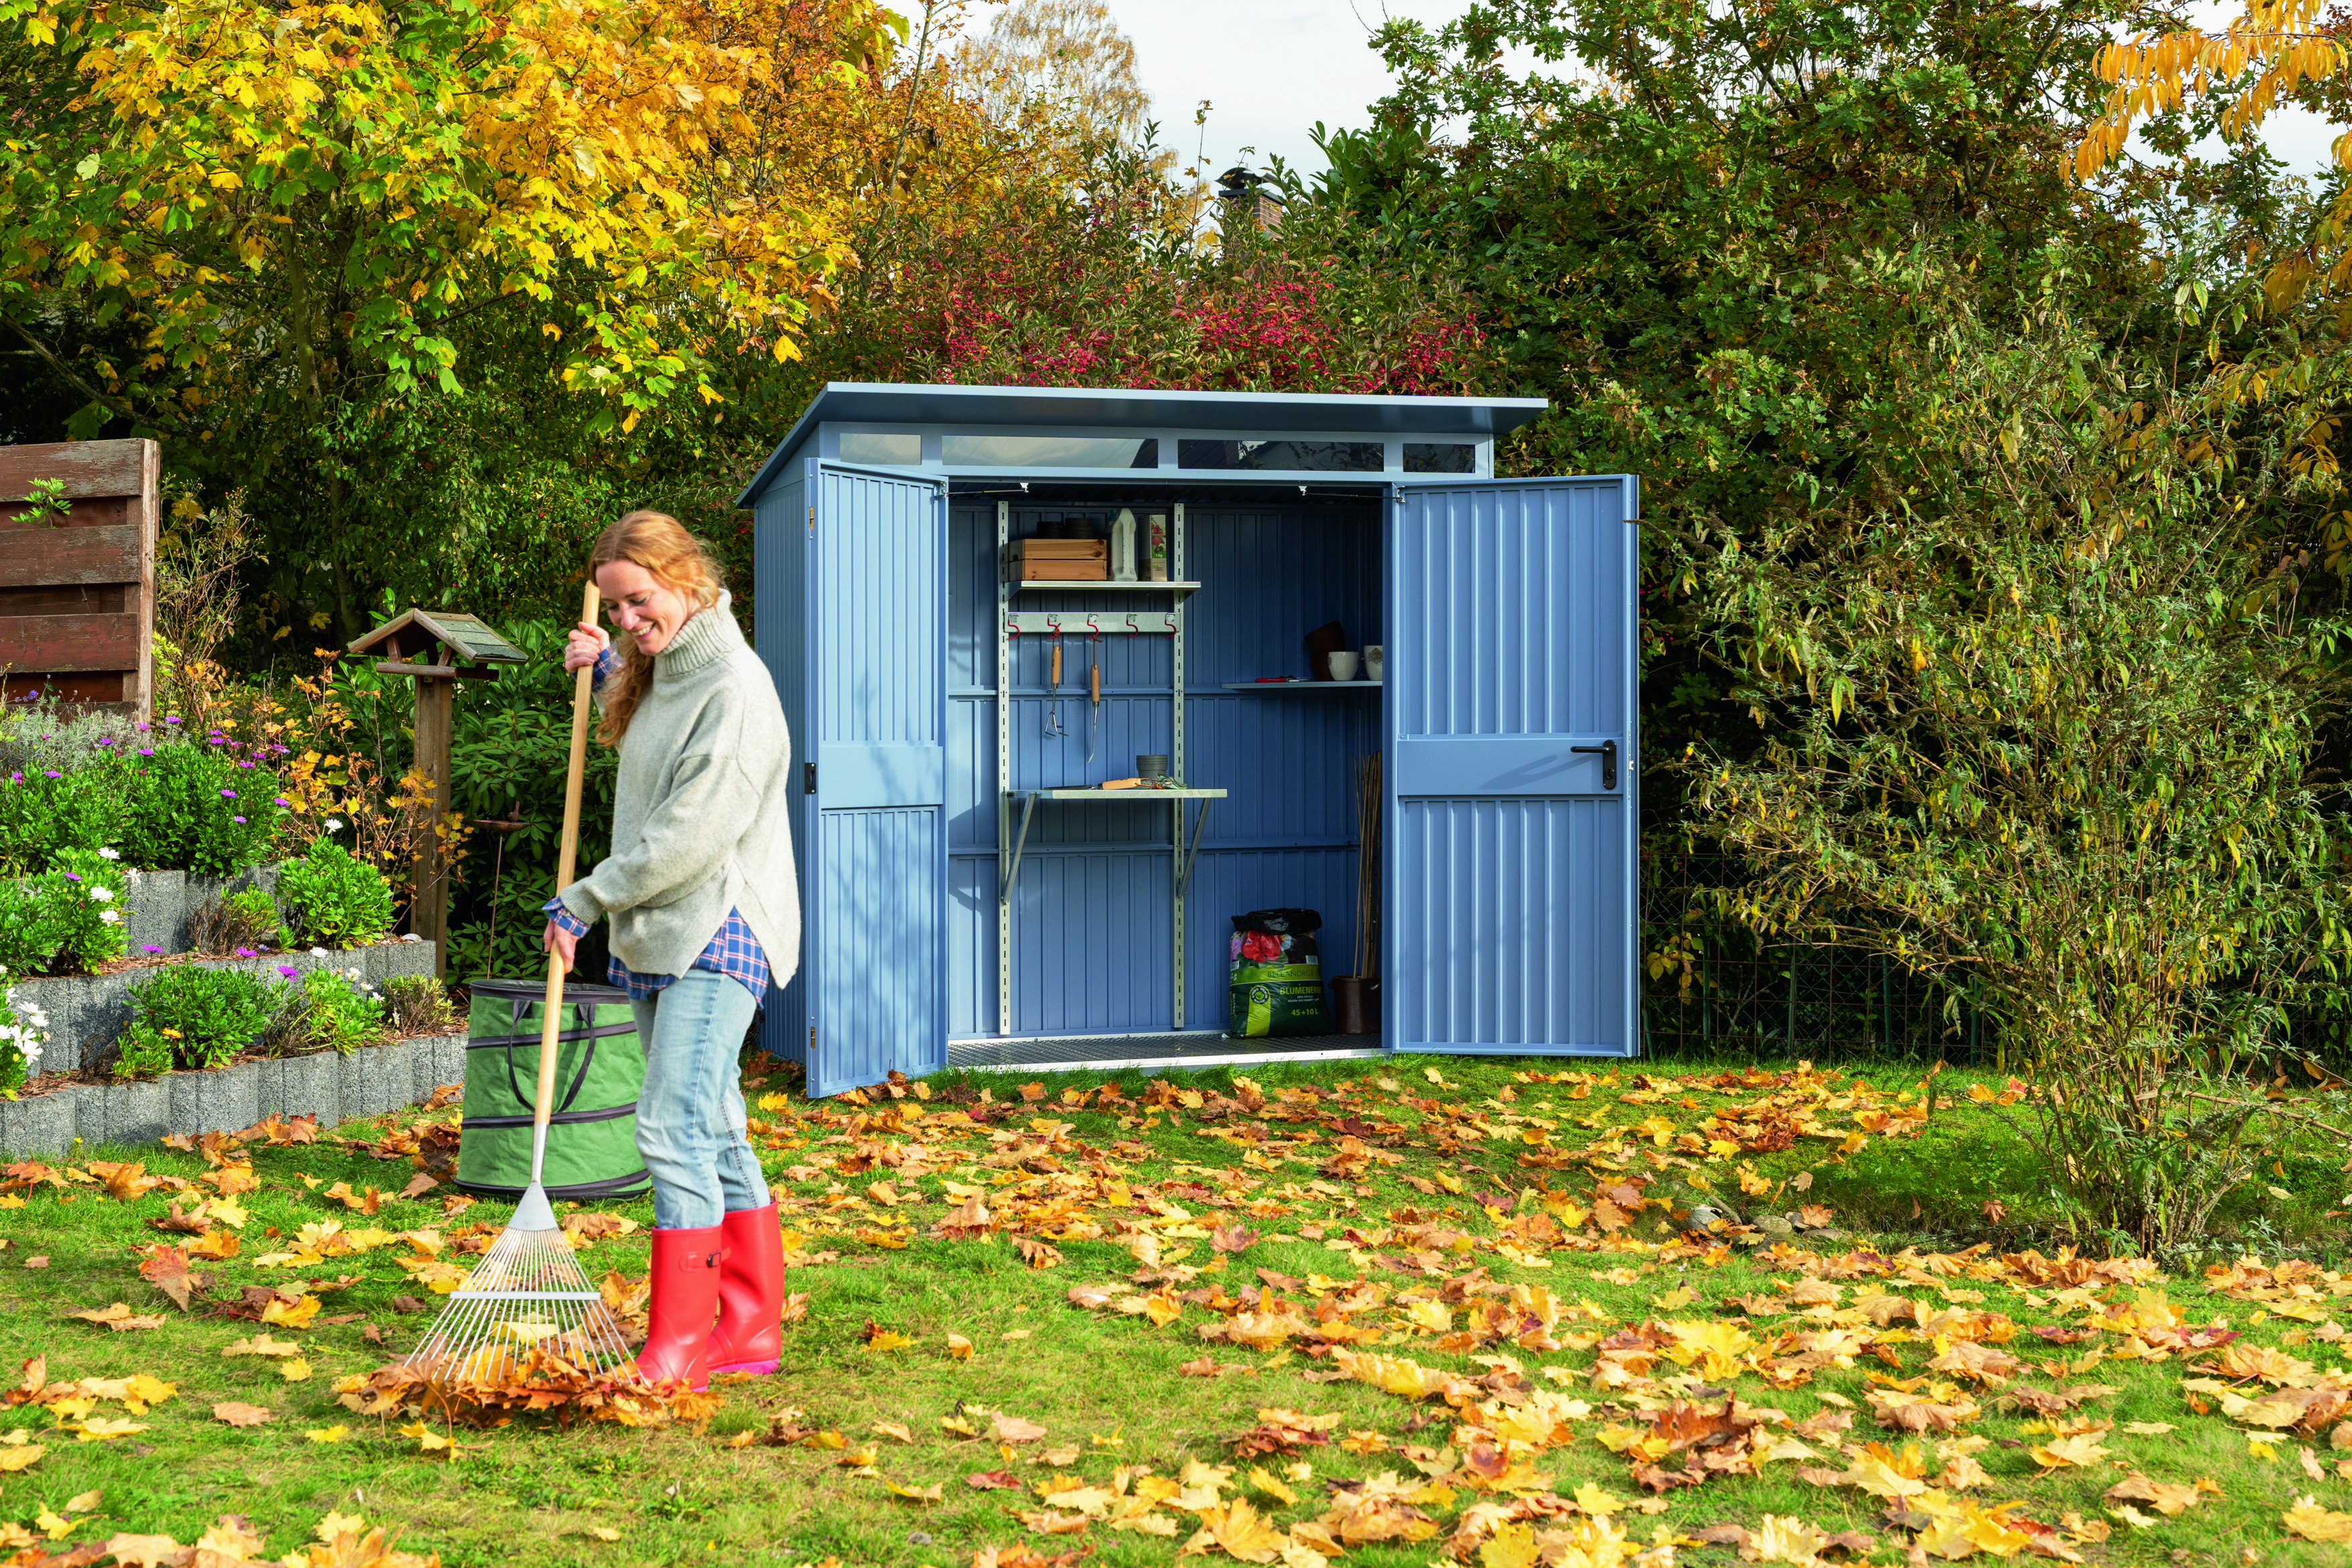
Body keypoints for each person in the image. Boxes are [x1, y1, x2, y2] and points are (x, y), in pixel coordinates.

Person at [542, 511, 799, 1390]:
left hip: (719, 922)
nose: (627, 620)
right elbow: (661, 740)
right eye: (614, 608)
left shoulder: (737, 688)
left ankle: (683, 1340)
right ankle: (748, 1325)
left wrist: (586, 900)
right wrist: (607, 665)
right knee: (713, 1119)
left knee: (671, 1122)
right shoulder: (670, 671)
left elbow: (689, 835)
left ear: (685, 578)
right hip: (664, 925)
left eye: (638, 602)